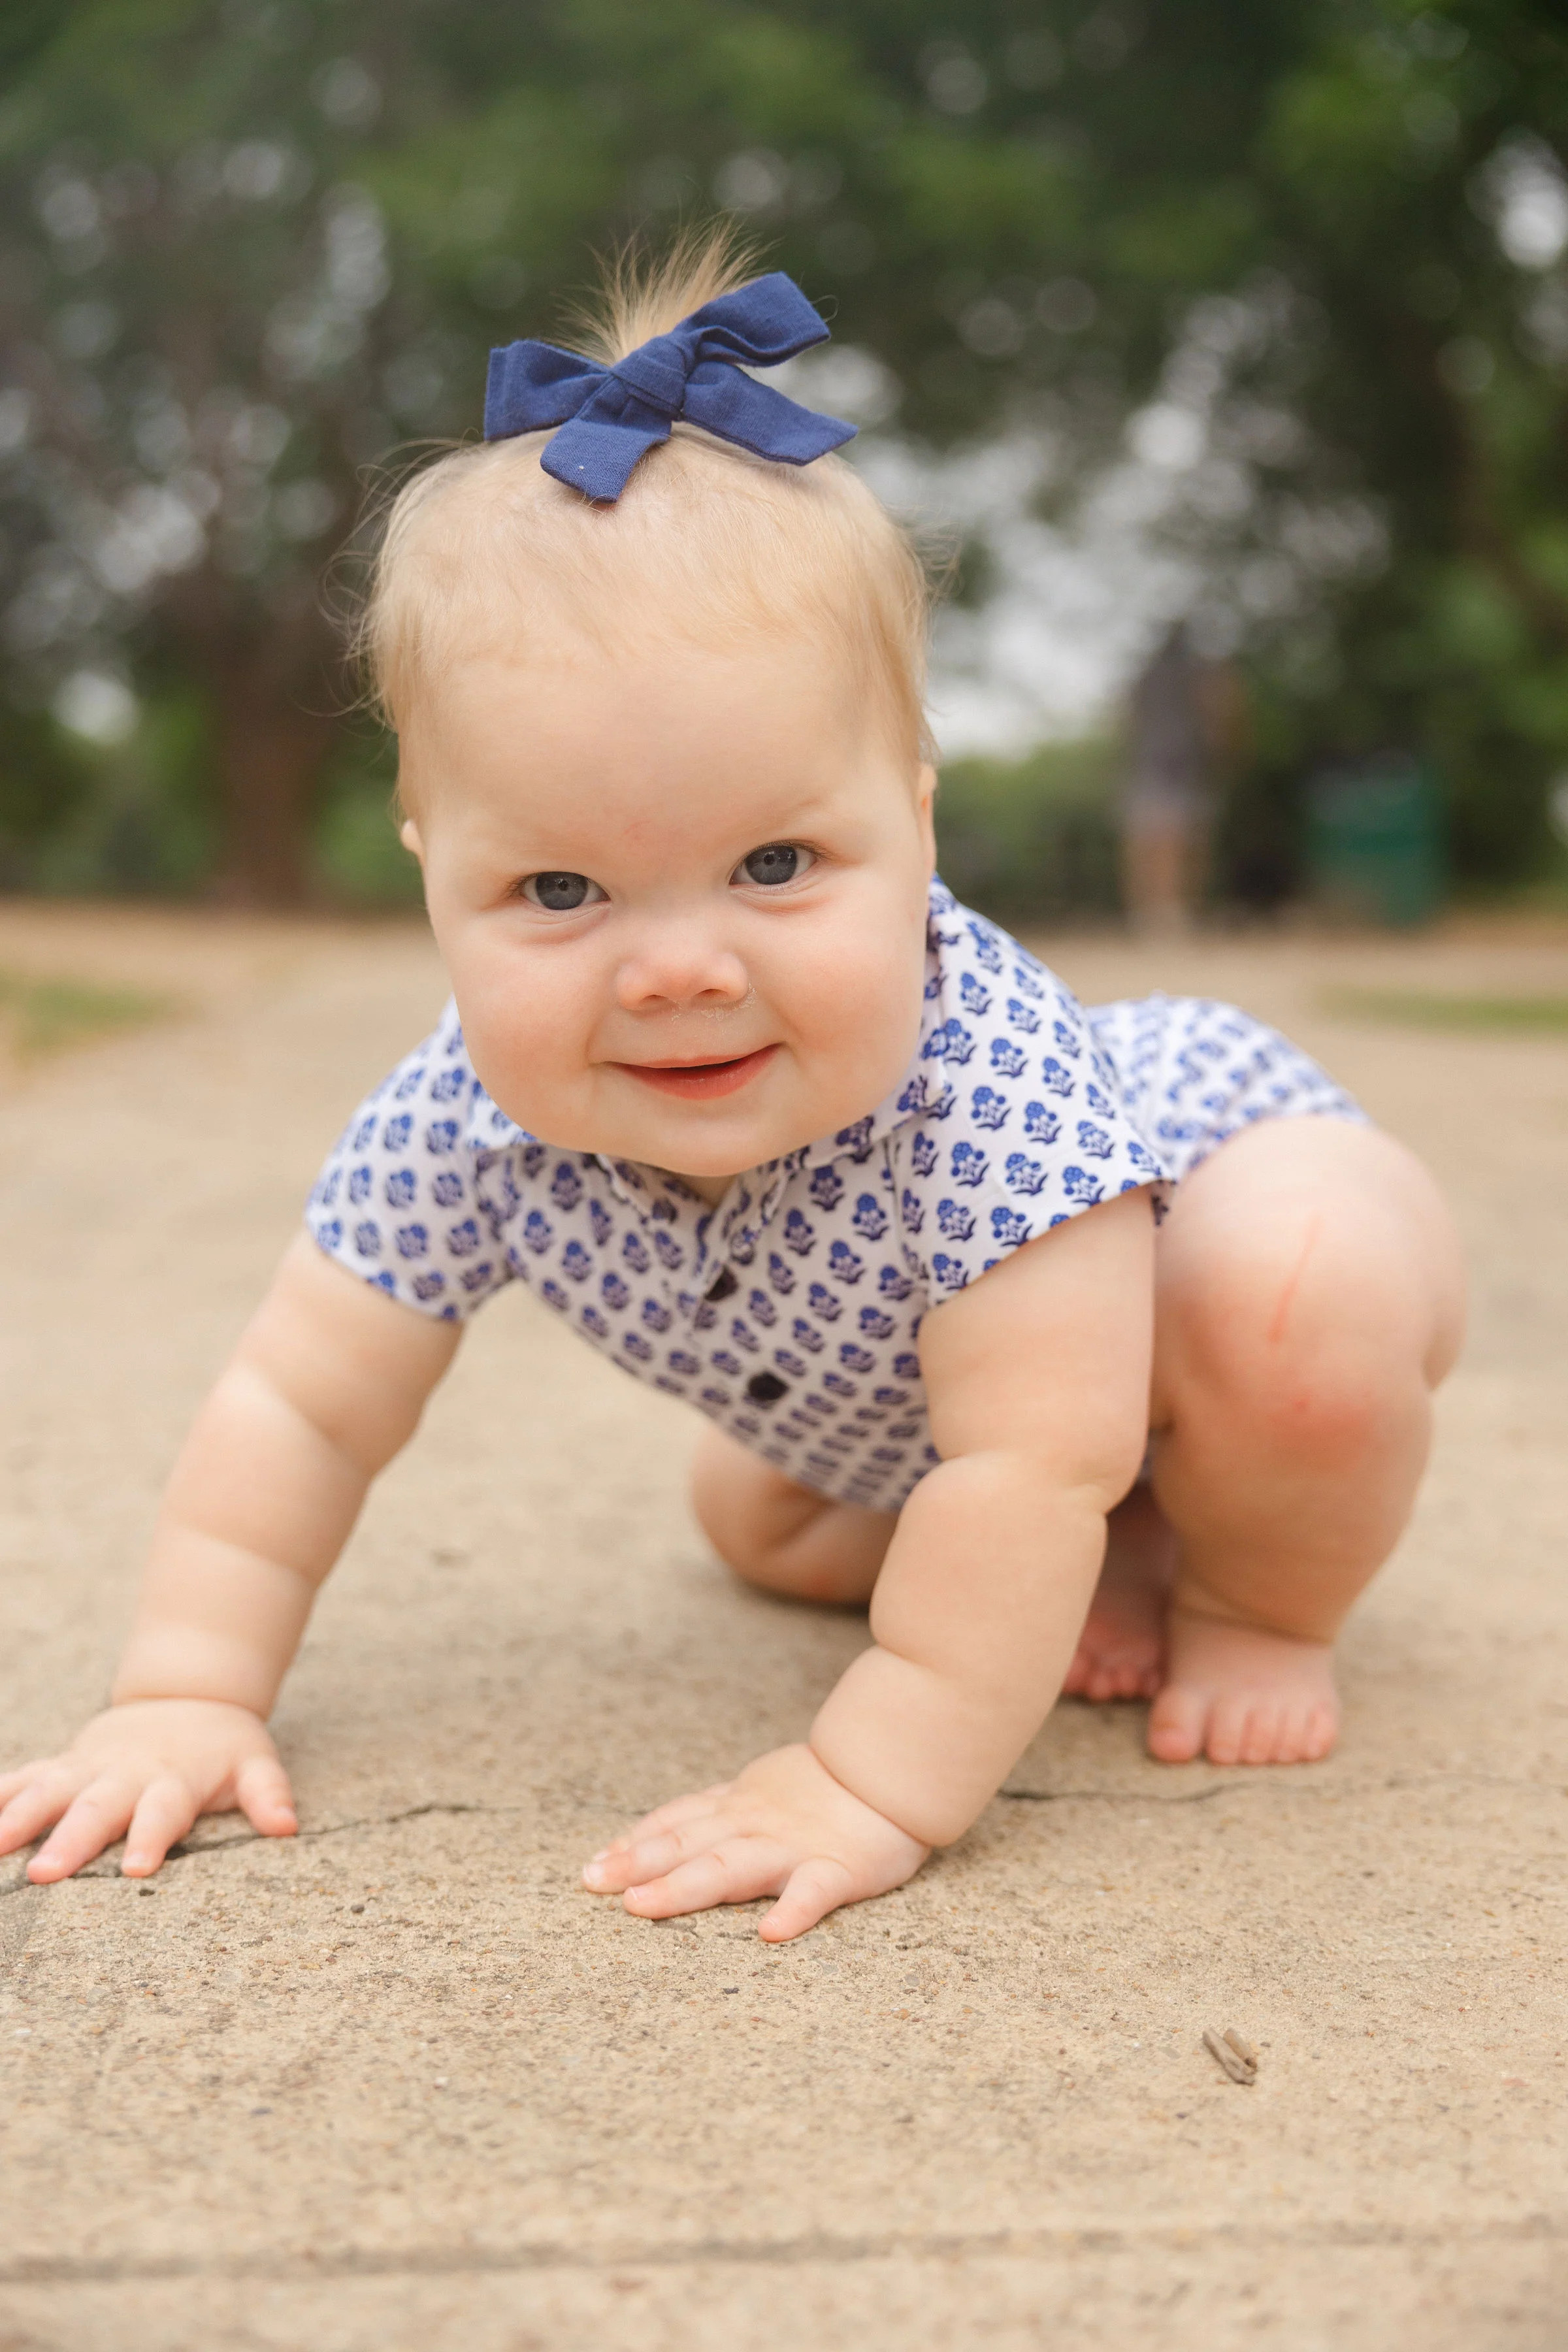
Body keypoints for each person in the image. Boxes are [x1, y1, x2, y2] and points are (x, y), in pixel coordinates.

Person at [0, 235, 1465, 1944]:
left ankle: (1250, 1591)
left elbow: (1025, 1465)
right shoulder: (460, 1119)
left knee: (1296, 1319)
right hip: (935, 1414)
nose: (677, 968)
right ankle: (1130, 1552)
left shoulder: (987, 1077)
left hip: (1214, 1207)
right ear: (430, 869)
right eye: (558, 895)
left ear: (916, 822)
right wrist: (184, 1687)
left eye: (775, 863)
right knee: (761, 1520)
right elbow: (301, 1411)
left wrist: (871, 1776)